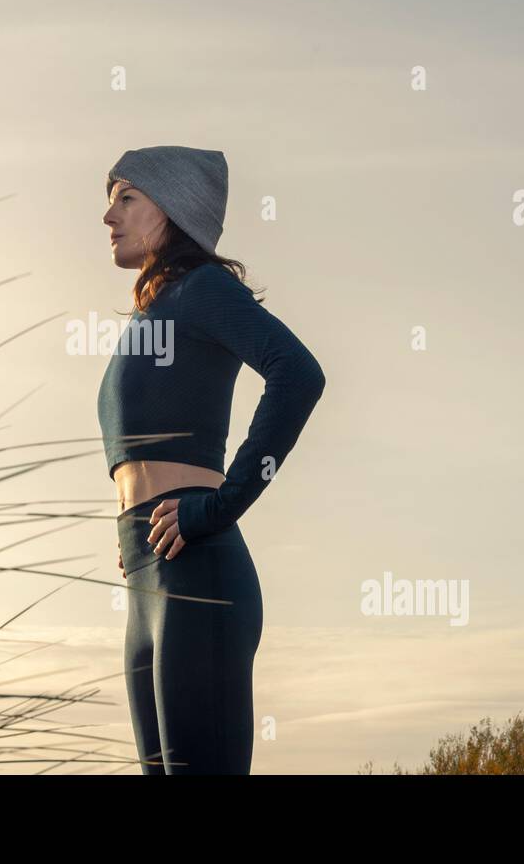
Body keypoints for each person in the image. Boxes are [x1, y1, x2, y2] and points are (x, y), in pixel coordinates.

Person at [97, 145, 326, 774]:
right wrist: (132, 524)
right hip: (148, 578)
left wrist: (221, 506)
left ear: (170, 209)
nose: (108, 216)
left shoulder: (201, 290)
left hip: (199, 572)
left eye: (126, 197)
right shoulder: (149, 318)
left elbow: (298, 374)